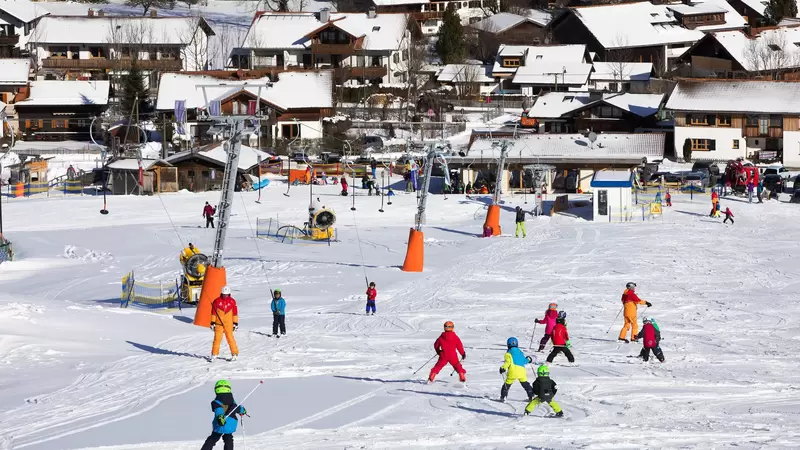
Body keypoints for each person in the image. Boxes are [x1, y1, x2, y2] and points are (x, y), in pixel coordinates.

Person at [201, 380, 247, 450]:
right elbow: (238, 408)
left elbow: (219, 409)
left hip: (220, 423)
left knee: (213, 438)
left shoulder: (216, 402)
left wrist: (220, 417)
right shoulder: (232, 401)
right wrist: (242, 410)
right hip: (231, 424)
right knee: (228, 438)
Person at [499, 337, 534, 402]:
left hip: (513, 371)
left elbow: (508, 362)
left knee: (507, 384)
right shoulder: (520, 352)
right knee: (525, 384)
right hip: (522, 371)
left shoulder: (508, 353)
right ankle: (531, 396)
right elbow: (524, 361)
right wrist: (528, 359)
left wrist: (503, 368)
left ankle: (503, 397)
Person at [211, 286, 239, 361]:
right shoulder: (216, 301)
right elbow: (213, 312)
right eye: (224, 294)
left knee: (230, 338)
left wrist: (235, 323)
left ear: (229, 294)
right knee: (217, 339)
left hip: (228, 324)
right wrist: (212, 322)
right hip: (218, 323)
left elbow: (235, 313)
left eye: (226, 294)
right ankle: (214, 354)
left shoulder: (232, 301)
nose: (225, 296)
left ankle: (234, 353)